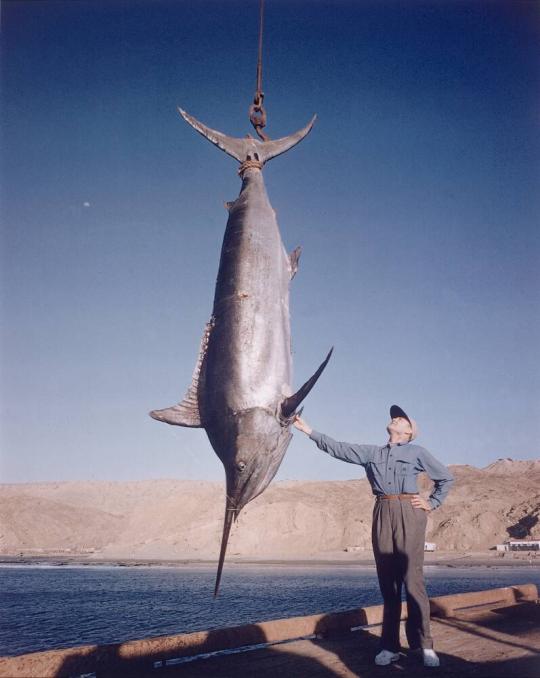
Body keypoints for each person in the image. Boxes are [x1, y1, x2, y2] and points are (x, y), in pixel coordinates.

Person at [293, 405, 454, 668]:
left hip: (409, 511)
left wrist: (432, 502)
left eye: (401, 418)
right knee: (388, 584)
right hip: (382, 510)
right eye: (395, 416)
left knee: (413, 581)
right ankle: (389, 647)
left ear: (409, 431)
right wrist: (308, 430)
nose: (395, 418)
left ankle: (424, 645)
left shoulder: (417, 452)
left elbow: (445, 478)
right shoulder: (373, 453)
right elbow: (339, 448)